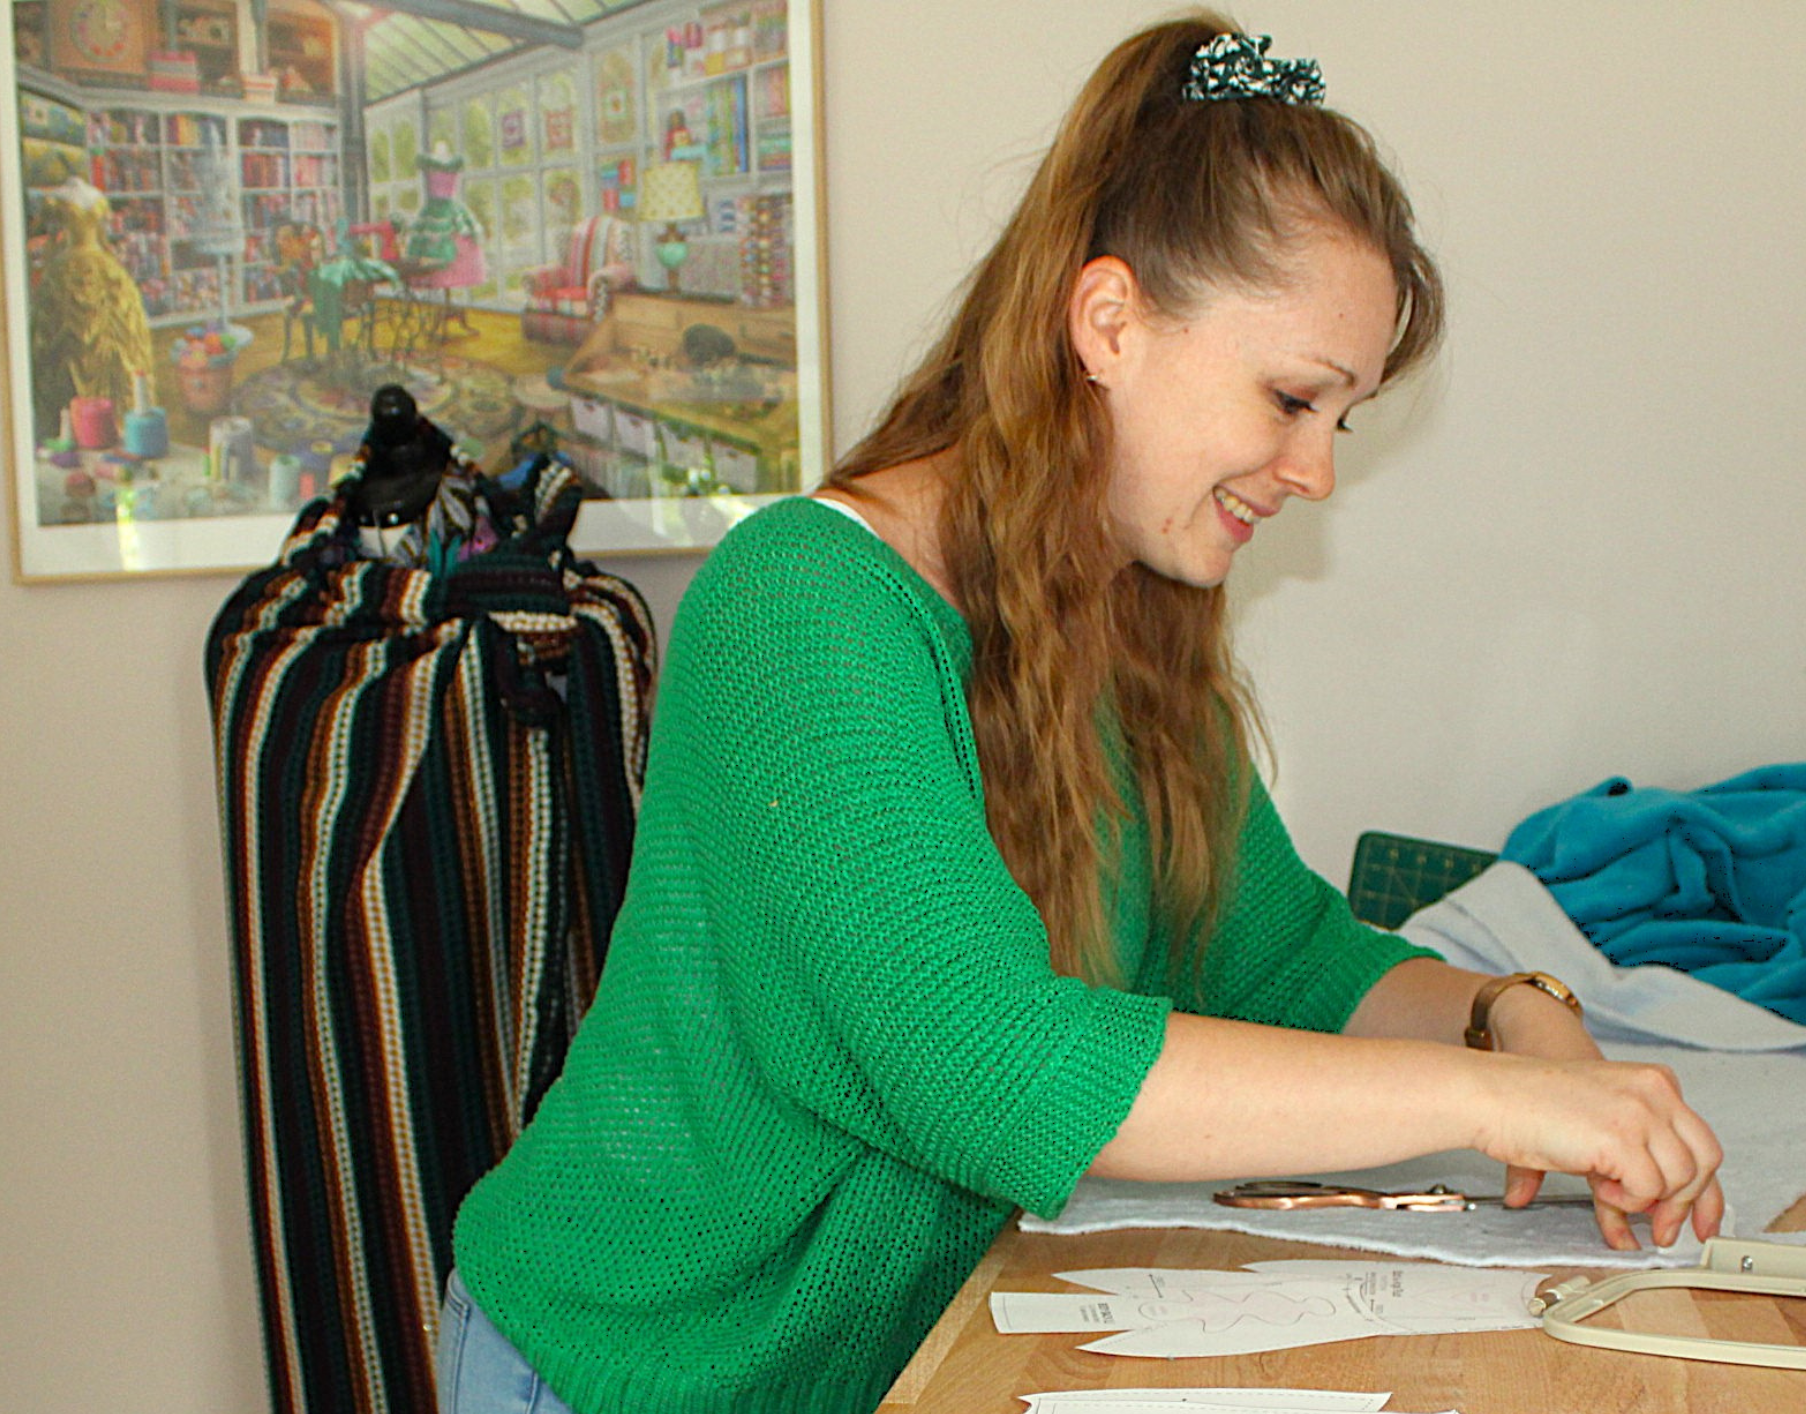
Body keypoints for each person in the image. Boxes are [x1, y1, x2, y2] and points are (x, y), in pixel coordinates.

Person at [438, 15, 1724, 1414]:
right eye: (1293, 398)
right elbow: (987, 1058)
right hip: (625, 1367)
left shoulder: (1128, 620)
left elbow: (1280, 960)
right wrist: (1495, 1102)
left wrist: (1505, 1013)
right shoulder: (802, 602)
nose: (1315, 472)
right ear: (1109, 324)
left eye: (1340, 420)